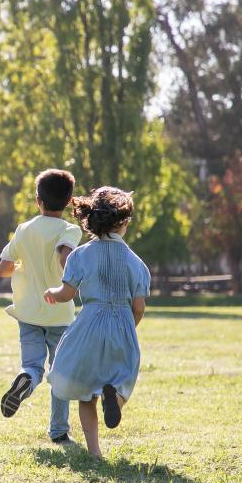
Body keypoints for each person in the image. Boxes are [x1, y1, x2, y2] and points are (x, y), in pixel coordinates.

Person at [44, 187, 150, 458]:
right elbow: (139, 307)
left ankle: (95, 452)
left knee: (85, 392)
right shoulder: (136, 263)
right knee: (123, 378)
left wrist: (52, 293)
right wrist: (128, 326)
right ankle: (114, 399)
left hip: (89, 324)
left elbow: (67, 293)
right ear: (124, 222)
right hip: (122, 324)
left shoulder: (79, 255)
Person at [0, 169, 82, 444]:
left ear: (38, 200)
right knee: (60, 372)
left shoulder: (24, 229)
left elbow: (3, 269)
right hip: (59, 312)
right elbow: (64, 256)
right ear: (69, 202)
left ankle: (25, 379)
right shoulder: (70, 229)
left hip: (28, 312)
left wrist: (25, 267)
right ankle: (59, 431)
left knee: (32, 365)